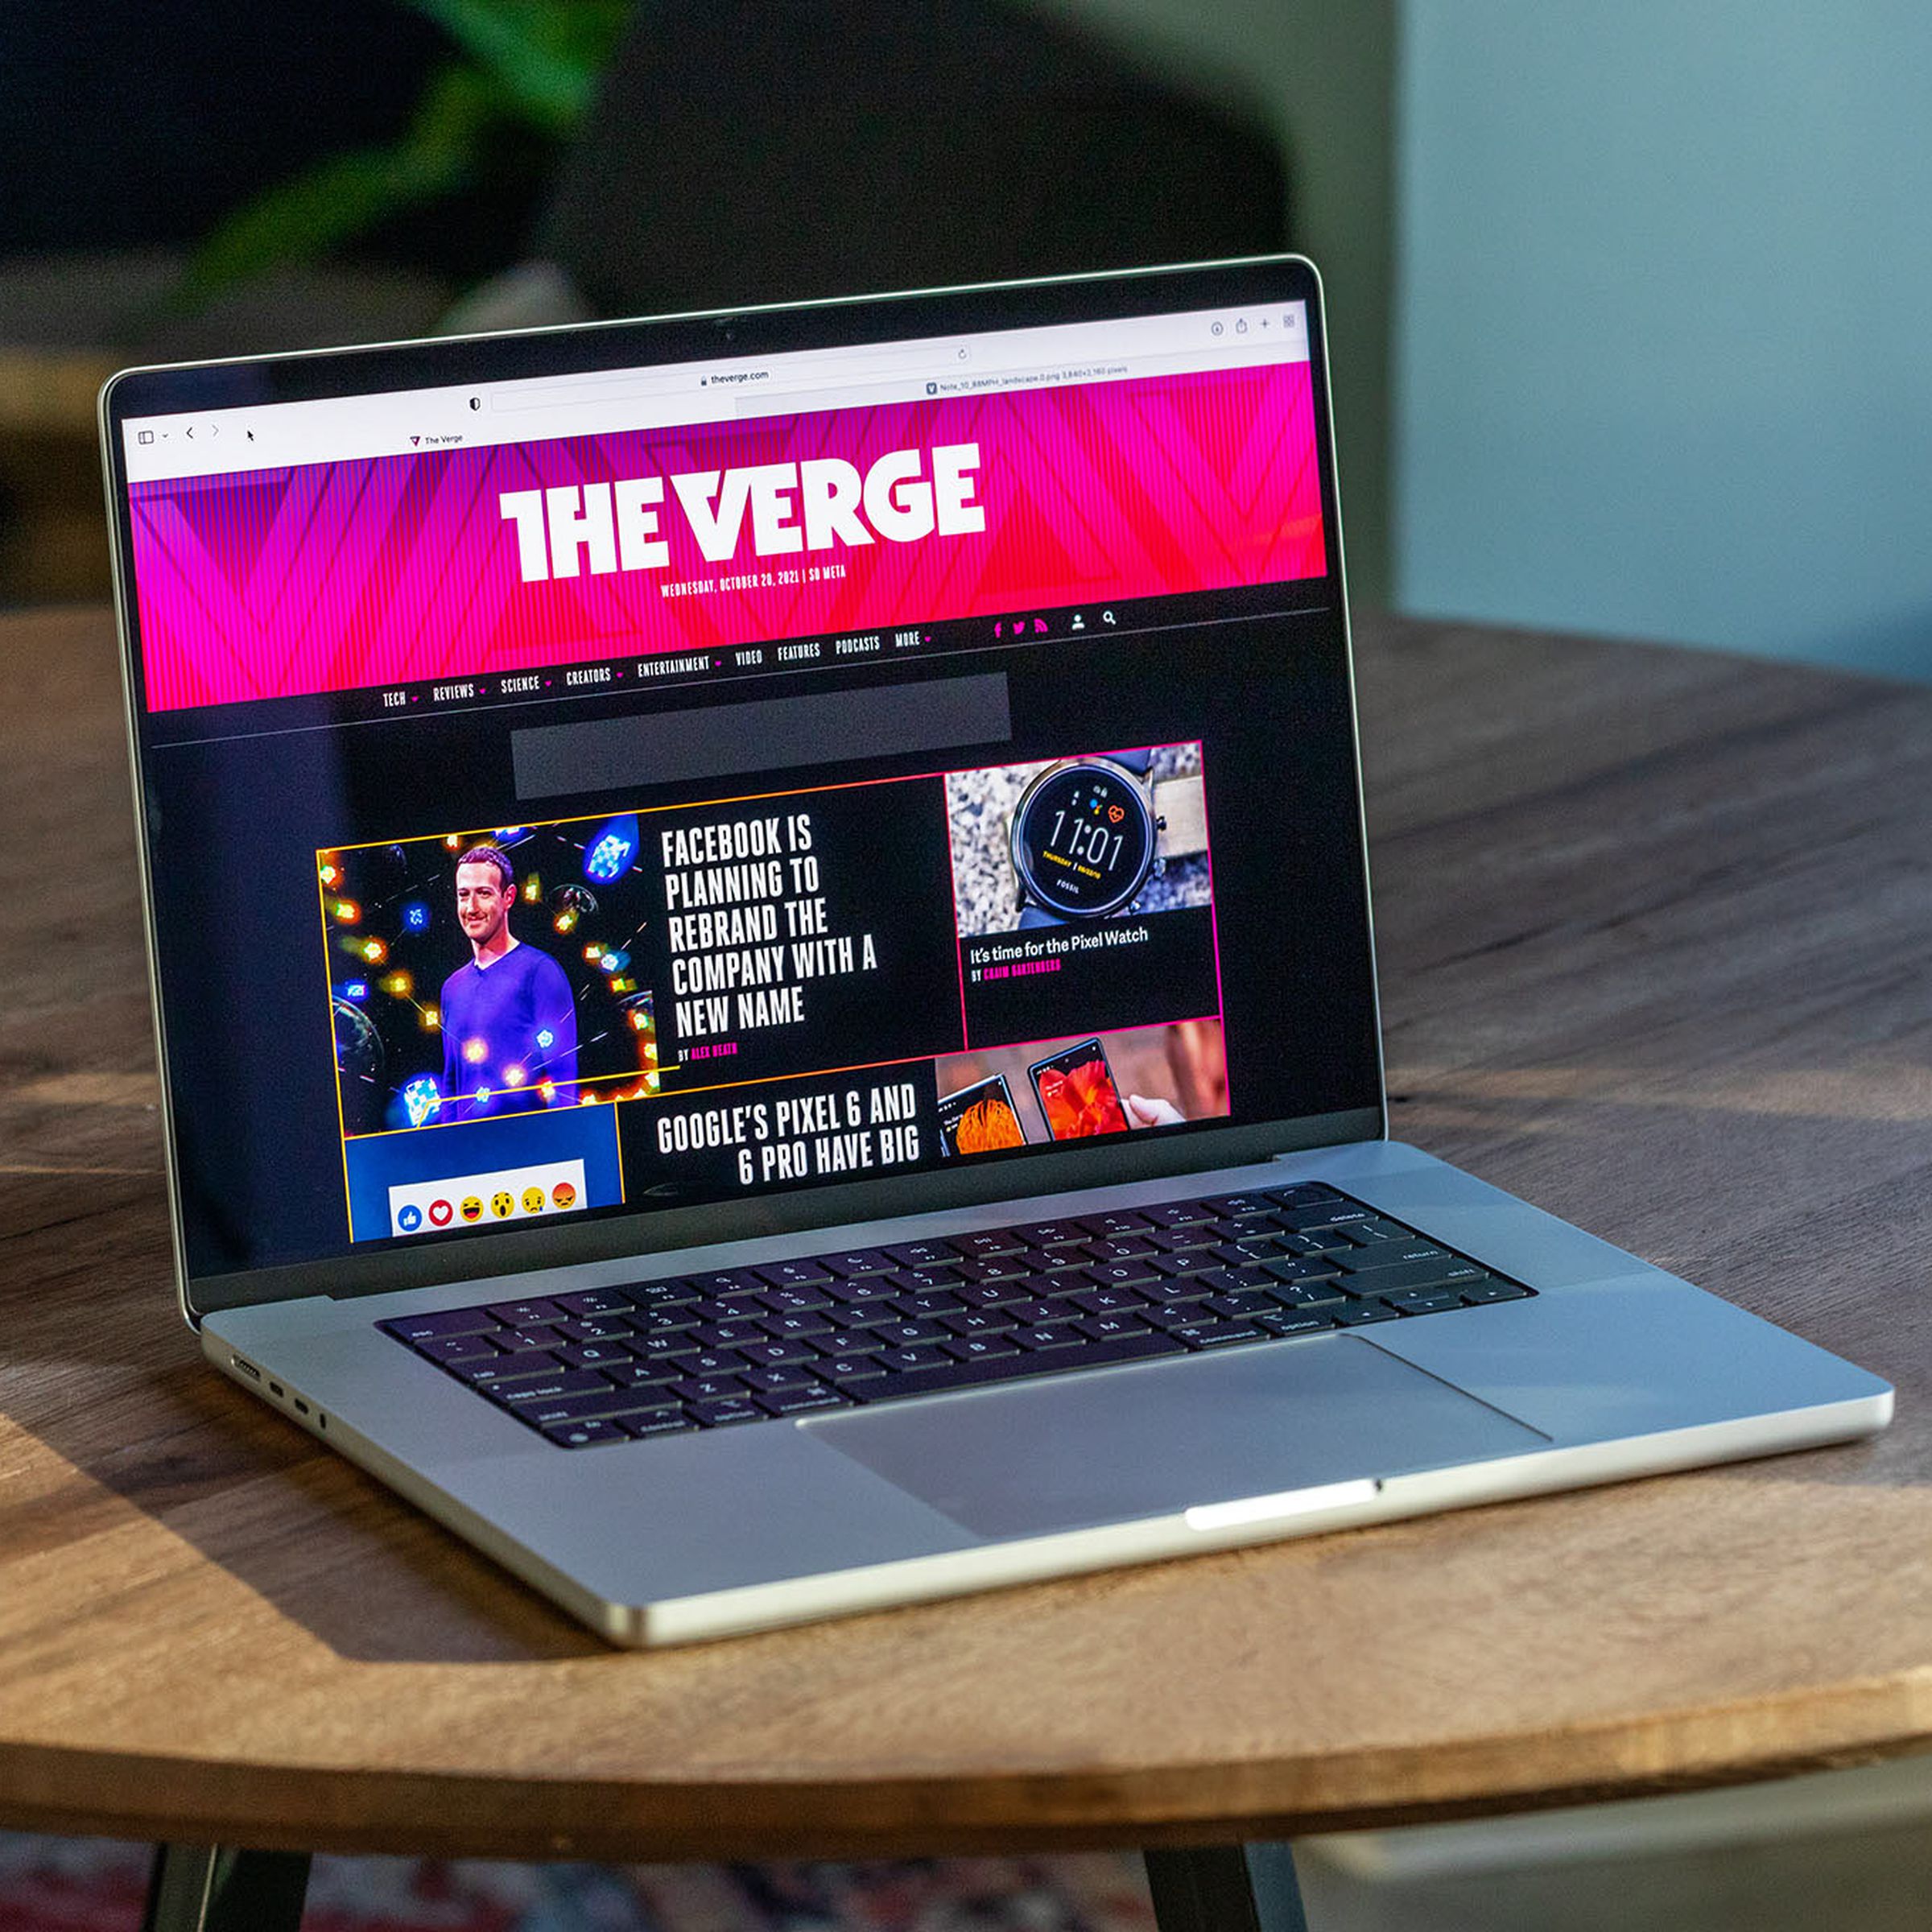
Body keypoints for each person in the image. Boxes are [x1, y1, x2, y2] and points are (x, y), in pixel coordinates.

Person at [437, 846, 577, 1121]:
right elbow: (451, 1086)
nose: (471, 907)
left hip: (532, 1151)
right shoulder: (451, 987)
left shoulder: (540, 972)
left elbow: (563, 1081)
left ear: (508, 897)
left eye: (484, 893)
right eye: (463, 895)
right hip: (473, 1155)